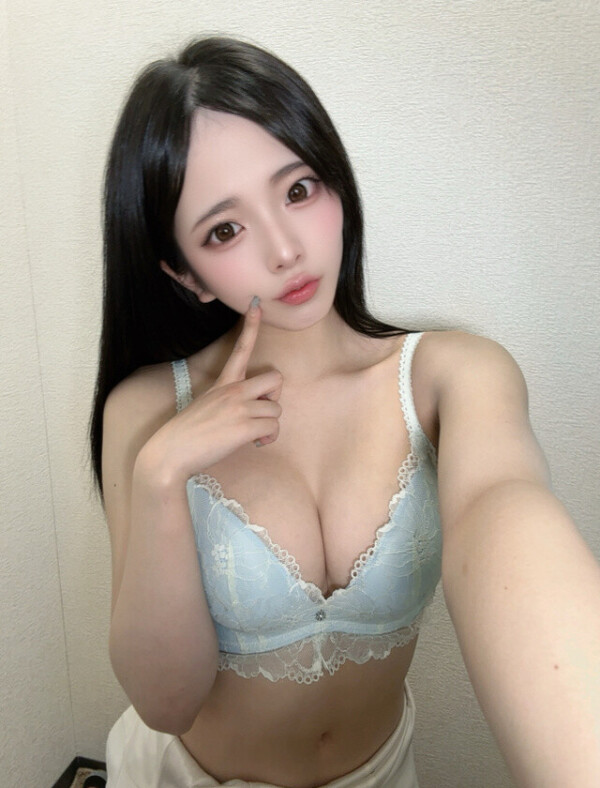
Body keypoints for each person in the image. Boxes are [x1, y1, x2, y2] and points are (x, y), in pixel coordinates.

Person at [91, 36, 600, 788]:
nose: (285, 249)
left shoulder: (451, 377)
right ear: (186, 274)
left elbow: (506, 513)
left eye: (298, 190)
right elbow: (166, 702)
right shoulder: (147, 410)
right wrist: (160, 472)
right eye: (225, 230)